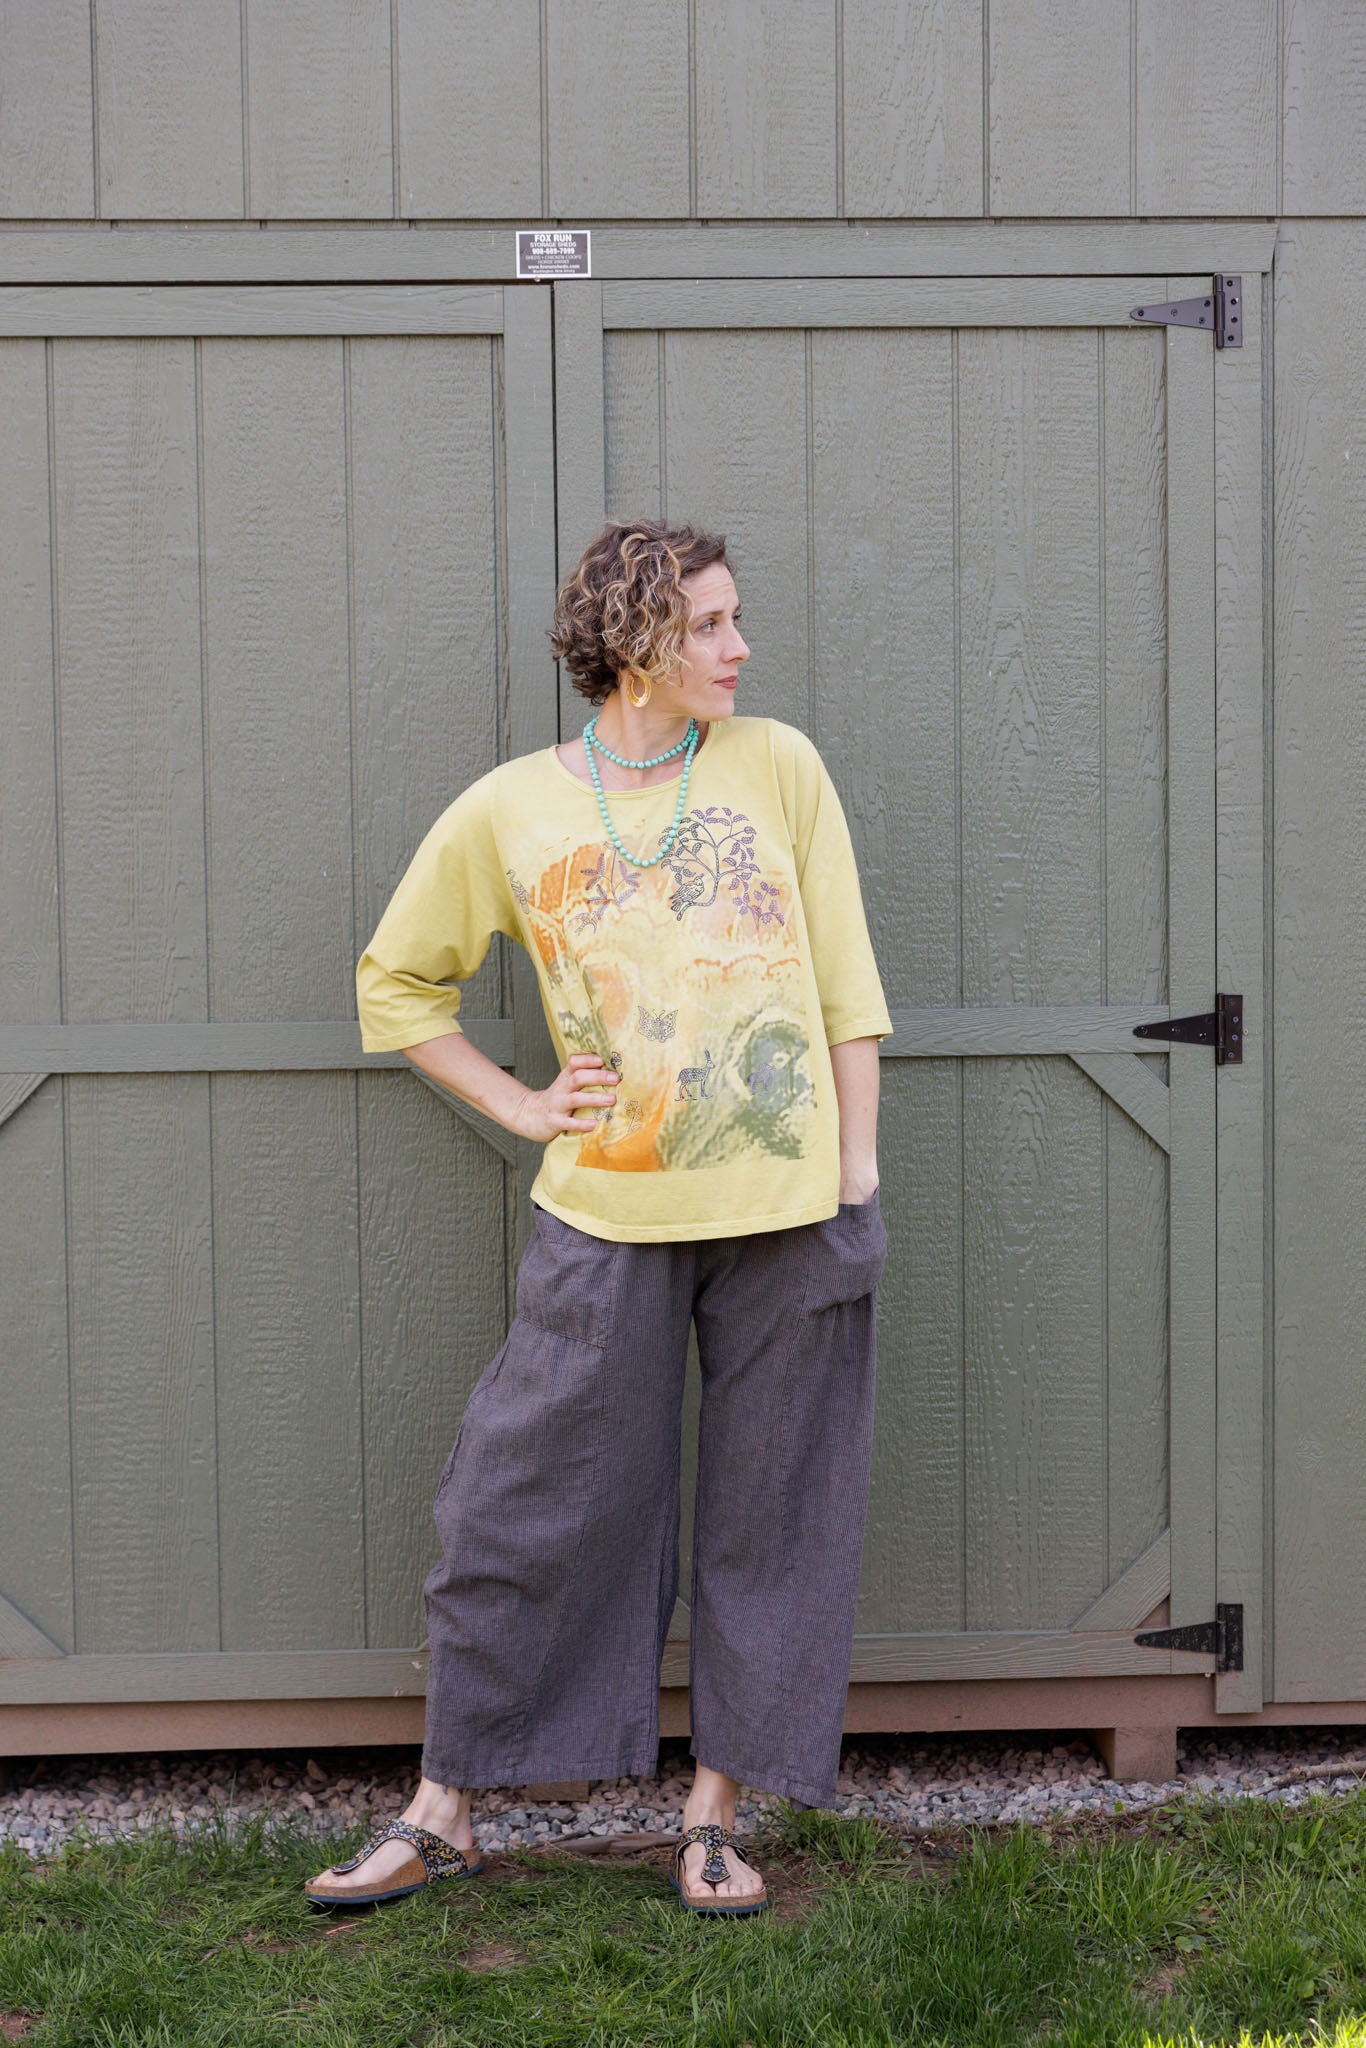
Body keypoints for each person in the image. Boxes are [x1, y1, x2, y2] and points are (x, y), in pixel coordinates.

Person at [304, 520, 893, 1917]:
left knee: (774, 1518)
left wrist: (856, 1171)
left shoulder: (779, 765)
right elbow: (398, 984)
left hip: (792, 1211)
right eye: (708, 625)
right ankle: (446, 1808)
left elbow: (845, 984)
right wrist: (521, 1106)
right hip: (605, 1215)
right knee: (521, 1506)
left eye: (734, 618)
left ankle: (713, 1820)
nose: (738, 646)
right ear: (633, 642)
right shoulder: (512, 808)